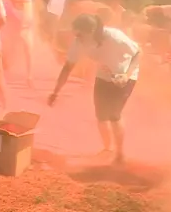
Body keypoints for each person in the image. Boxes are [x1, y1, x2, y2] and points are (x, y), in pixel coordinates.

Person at [48, 13, 141, 165]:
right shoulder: (79, 43)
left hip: (126, 77)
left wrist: (126, 74)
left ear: (91, 31)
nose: (77, 37)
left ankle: (120, 153)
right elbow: (67, 68)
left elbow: (138, 53)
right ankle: (107, 149)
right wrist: (55, 92)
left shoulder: (114, 37)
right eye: (75, 33)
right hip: (104, 76)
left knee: (114, 114)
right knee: (101, 115)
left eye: (79, 34)